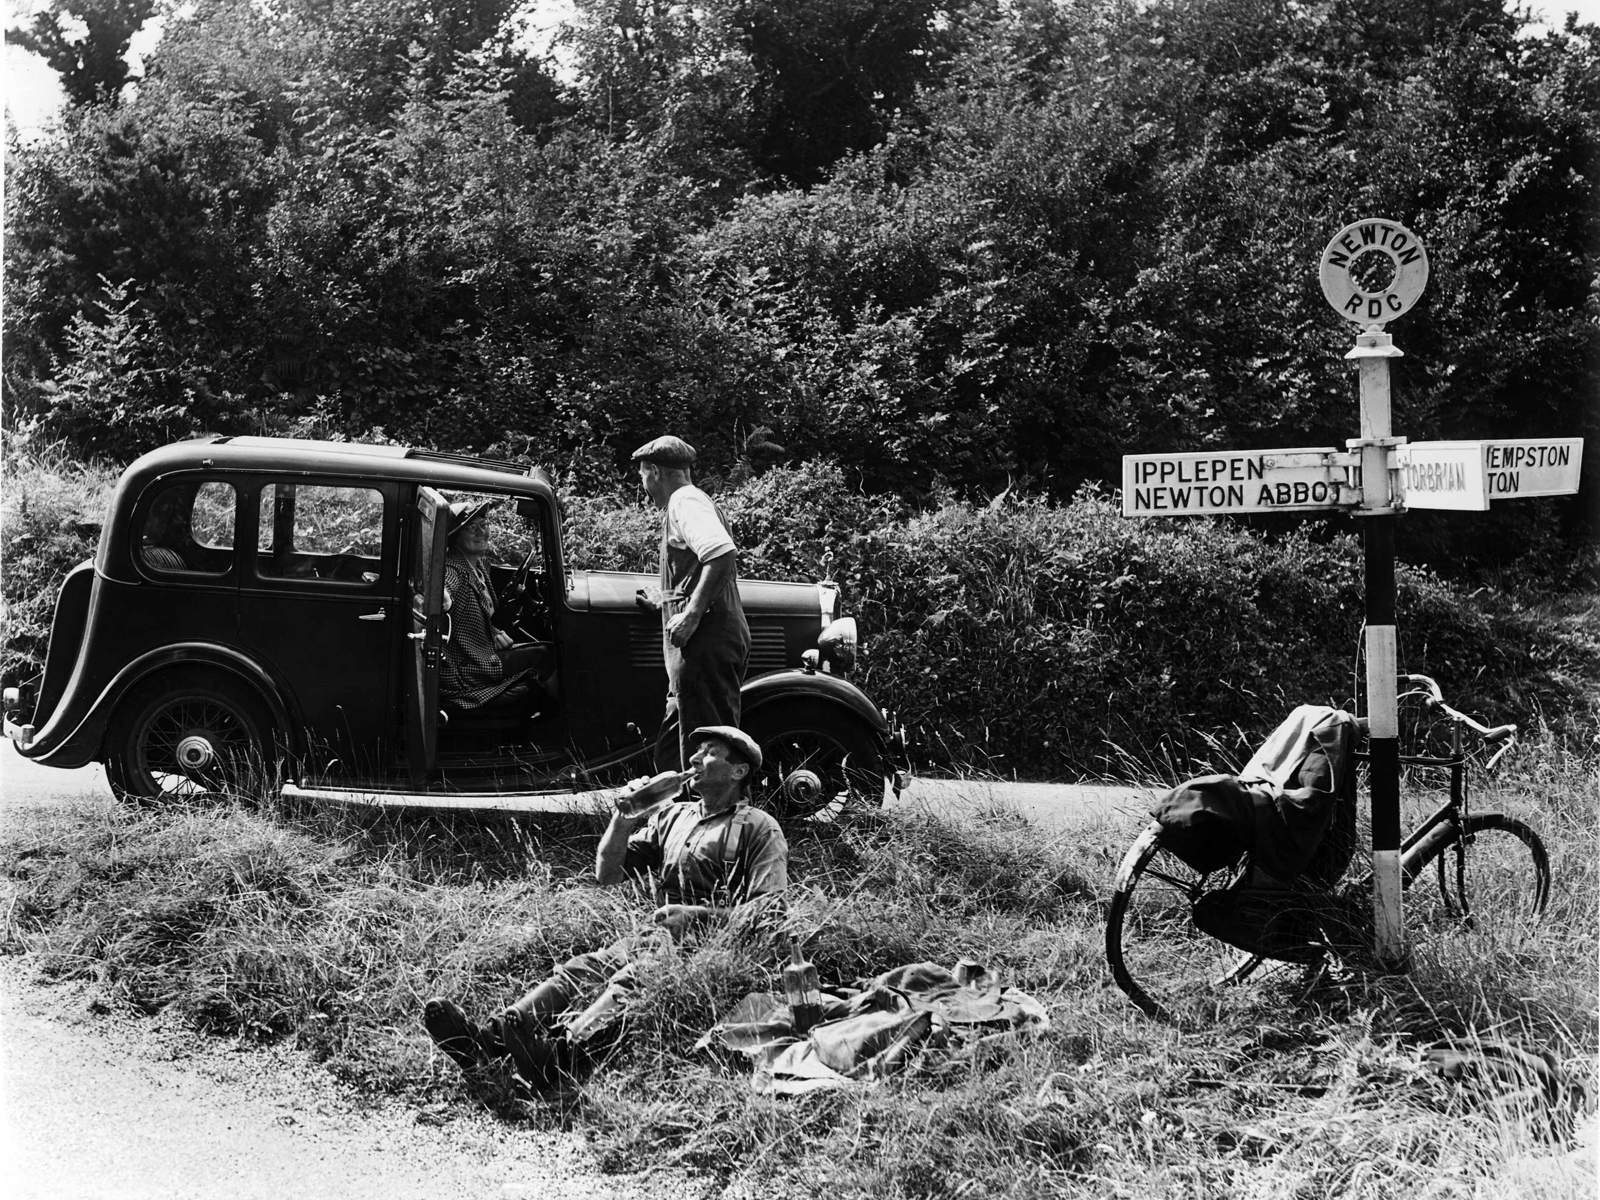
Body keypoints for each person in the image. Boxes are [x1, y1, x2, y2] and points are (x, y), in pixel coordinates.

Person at [422, 725, 787, 1089]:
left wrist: (697, 918)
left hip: (710, 949)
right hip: (656, 935)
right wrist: (622, 818)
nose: (693, 759)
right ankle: (491, 1040)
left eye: (709, 752)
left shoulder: (759, 828)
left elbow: (769, 912)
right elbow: (607, 873)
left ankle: (557, 1057)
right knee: (584, 968)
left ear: (738, 771)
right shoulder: (675, 816)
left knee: (633, 978)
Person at [630, 435, 751, 770]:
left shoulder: (685, 501)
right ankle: (672, 813)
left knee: (710, 749)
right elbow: (697, 570)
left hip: (705, 641)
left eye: (642, 475)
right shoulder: (690, 501)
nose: (644, 485)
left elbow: (721, 554)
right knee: (675, 745)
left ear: (655, 471)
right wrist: (665, 598)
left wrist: (692, 615)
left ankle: (719, 818)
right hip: (699, 644)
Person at [439, 499, 544, 712]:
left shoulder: (479, 565)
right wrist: (442, 596)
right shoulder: (453, 569)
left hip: (483, 650)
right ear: (456, 537)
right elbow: (444, 588)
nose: (481, 532)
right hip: (469, 666)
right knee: (546, 655)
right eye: (471, 528)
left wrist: (493, 630)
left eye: (484, 525)